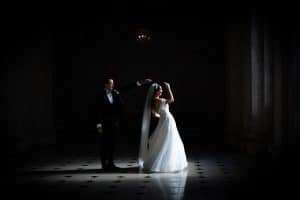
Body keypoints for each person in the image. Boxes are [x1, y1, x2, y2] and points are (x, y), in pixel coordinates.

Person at [96, 78, 152, 170]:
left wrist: (141, 82)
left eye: (113, 84)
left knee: (112, 143)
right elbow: (97, 110)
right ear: (105, 85)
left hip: (113, 122)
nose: (112, 86)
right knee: (104, 144)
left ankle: (110, 163)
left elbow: (127, 88)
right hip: (104, 123)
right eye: (110, 84)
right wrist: (99, 124)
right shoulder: (100, 95)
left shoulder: (115, 92)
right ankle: (104, 165)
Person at [138, 82, 188, 172]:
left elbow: (154, 114)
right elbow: (172, 99)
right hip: (167, 120)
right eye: (160, 89)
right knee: (168, 139)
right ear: (156, 91)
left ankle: (160, 161)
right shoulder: (160, 100)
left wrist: (161, 115)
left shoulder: (153, 101)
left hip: (163, 121)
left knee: (162, 139)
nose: (162, 90)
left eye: (162, 89)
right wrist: (169, 88)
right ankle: (165, 163)